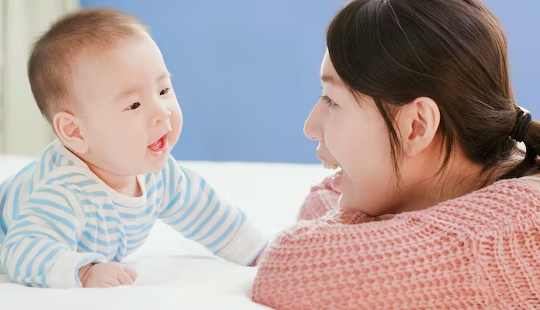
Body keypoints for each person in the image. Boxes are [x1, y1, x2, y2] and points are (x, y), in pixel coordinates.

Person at [252, 0, 540, 308]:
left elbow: (291, 266)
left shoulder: (496, 238)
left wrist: (369, 220)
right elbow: (319, 199)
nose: (311, 127)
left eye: (333, 101)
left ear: (416, 126)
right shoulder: (498, 171)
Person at [0, 8, 267, 288]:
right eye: (134, 105)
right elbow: (22, 249)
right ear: (75, 131)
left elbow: (208, 212)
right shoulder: (64, 191)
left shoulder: (159, 175)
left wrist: (259, 253)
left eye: (163, 90)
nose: (161, 112)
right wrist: (84, 271)